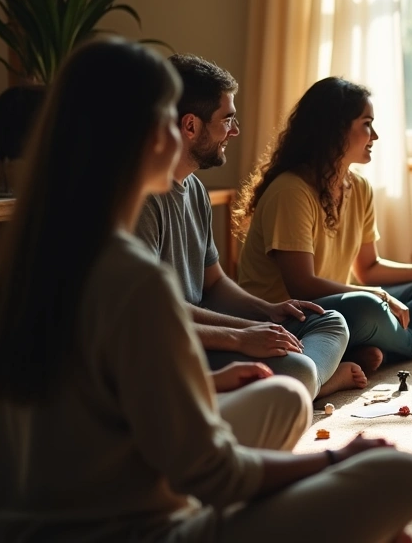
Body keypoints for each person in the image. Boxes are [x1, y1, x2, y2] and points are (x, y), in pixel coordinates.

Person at [0, 37, 412, 542]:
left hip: (49, 511)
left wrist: (213, 379)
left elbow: (103, 398)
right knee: (402, 476)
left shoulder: (36, 257)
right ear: (151, 135)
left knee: (284, 396)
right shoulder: (134, 278)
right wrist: (339, 458)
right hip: (141, 530)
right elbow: (218, 476)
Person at [136, 54, 363, 400]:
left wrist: (267, 311)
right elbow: (156, 313)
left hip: (212, 324)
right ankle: (315, 384)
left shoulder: (195, 190)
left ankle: (301, 387)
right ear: (191, 126)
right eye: (227, 120)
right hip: (180, 342)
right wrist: (245, 334)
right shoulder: (142, 200)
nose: (235, 131)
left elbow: (214, 282)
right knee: (299, 366)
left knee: (330, 321)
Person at [235, 77, 412, 373]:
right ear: (334, 130)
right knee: (368, 307)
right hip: (291, 318)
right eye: (367, 124)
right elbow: (302, 286)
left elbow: (368, 268)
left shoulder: (358, 187)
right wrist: (378, 295)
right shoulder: (290, 191)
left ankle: (366, 346)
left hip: (336, 309)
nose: (376, 136)